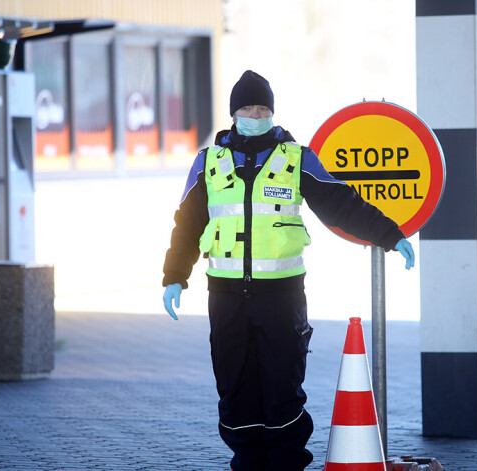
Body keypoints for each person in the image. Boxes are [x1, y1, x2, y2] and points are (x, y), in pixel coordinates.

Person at [162, 70, 415, 471]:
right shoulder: (208, 163)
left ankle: (286, 465)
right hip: (226, 300)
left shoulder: (296, 159)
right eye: (247, 108)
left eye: (263, 108)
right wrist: (175, 276)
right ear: (234, 113)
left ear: (272, 113)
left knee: (283, 391)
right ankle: (247, 464)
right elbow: (187, 225)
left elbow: (341, 203)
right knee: (235, 391)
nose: (255, 114)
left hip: (281, 298)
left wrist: (389, 234)